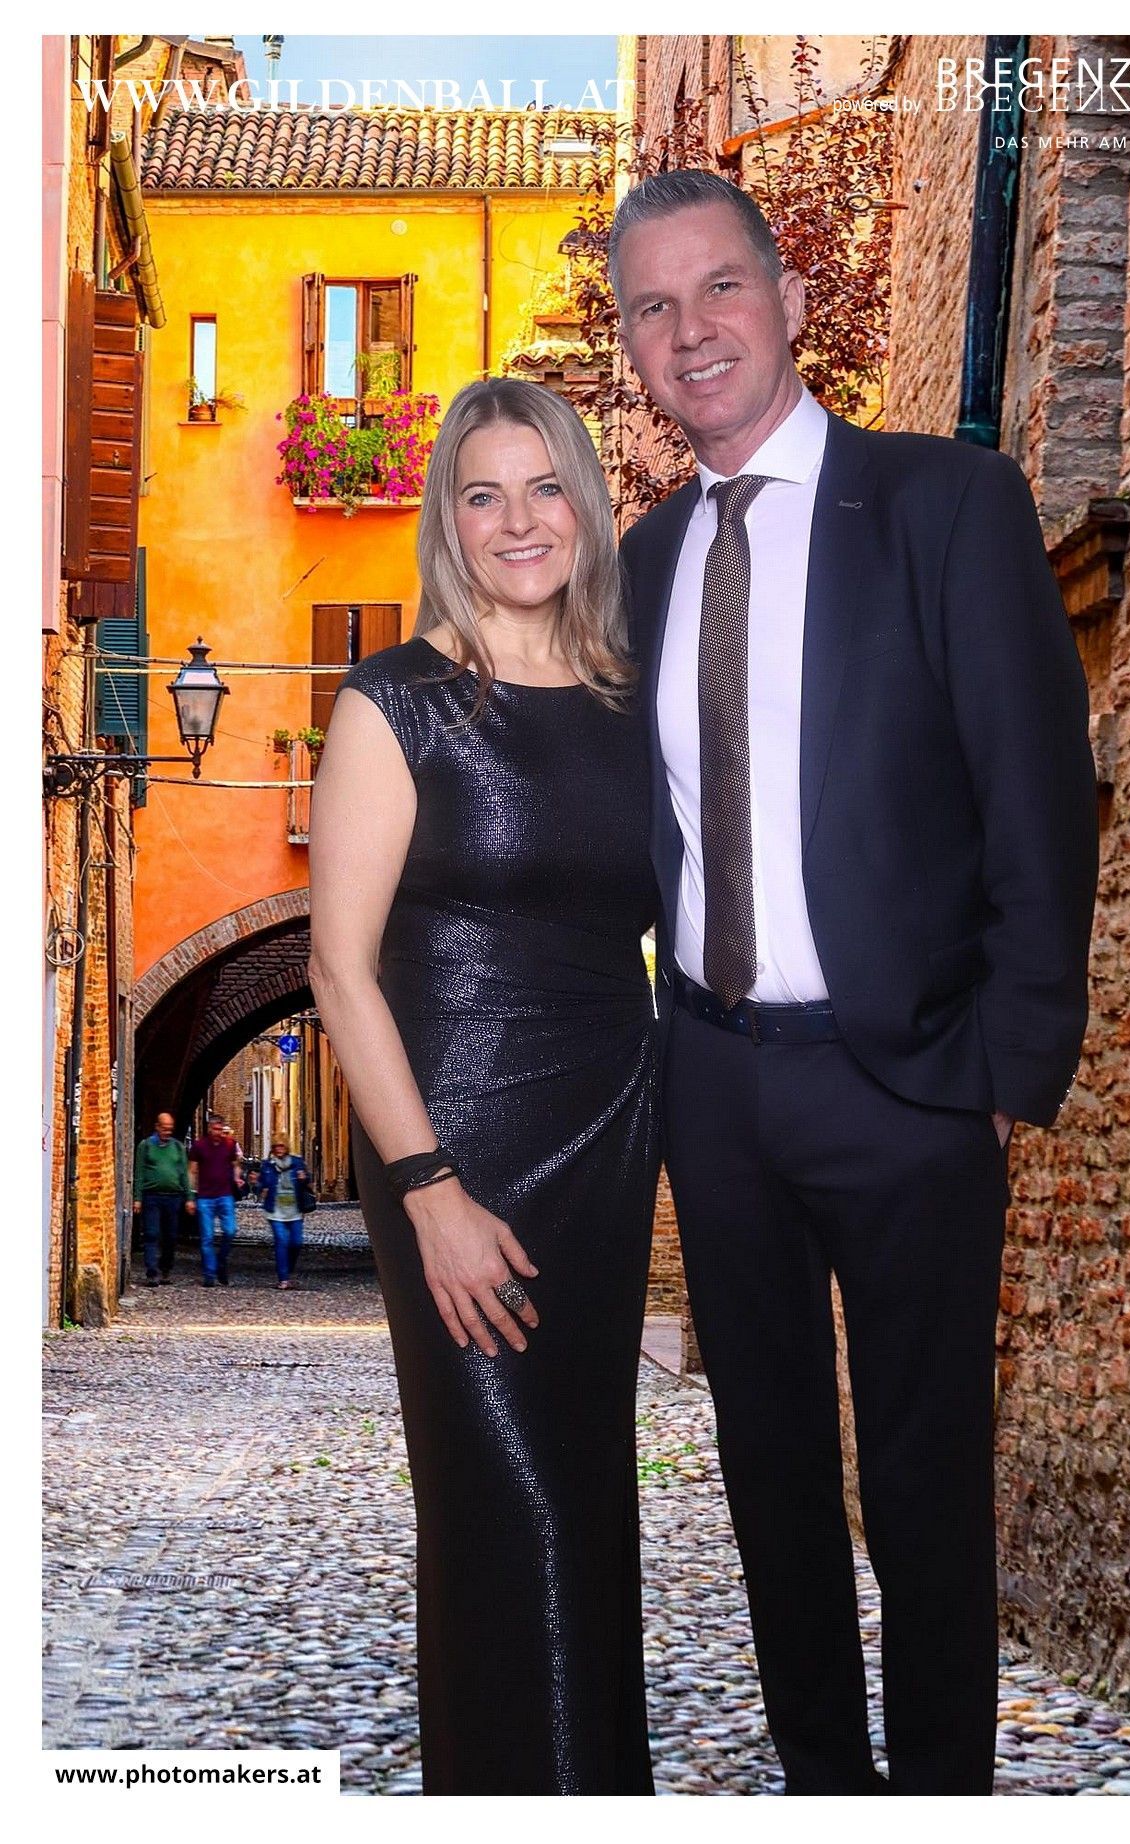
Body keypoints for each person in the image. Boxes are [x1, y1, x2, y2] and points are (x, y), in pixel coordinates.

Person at [610, 169, 1098, 1797]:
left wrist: (1001, 1071)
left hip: (912, 1080)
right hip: (717, 1082)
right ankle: (825, 1786)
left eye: (720, 288)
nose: (693, 330)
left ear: (792, 302)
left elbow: (1039, 794)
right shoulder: (642, 564)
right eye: (654, 307)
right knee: (769, 1473)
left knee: (923, 1479)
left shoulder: (947, 505)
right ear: (632, 345)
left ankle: (940, 1798)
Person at [309, 377, 660, 1795]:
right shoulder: (396, 702)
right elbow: (338, 969)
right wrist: (427, 1188)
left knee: (586, 1491)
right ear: (448, 523)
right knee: (505, 1495)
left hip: (608, 1130)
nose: (520, 522)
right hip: (459, 1137)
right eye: (483, 494)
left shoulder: (635, 701)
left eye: (545, 487)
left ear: (586, 503)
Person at [133, 1111, 192, 1285]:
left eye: (170, 1128)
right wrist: (137, 1198)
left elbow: (183, 1174)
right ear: (157, 1127)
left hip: (173, 1197)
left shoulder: (178, 1147)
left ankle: (165, 1268)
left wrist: (189, 1197)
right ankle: (152, 1272)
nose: (167, 1131)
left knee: (170, 1236)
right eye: (164, 1128)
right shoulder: (146, 1146)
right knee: (151, 1234)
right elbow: (139, 1172)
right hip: (151, 1196)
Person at [188, 1114, 244, 1287]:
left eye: (220, 1129)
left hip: (225, 1194)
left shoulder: (230, 1145)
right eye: (215, 1129)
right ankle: (209, 1273)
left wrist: (237, 1178)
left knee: (230, 1231)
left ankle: (221, 1260)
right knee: (207, 1237)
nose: (218, 1132)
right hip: (205, 1197)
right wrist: (191, 1196)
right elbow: (192, 1171)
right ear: (209, 1129)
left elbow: (235, 1164)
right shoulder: (199, 1146)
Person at [258, 1138, 311, 1289]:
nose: (279, 1149)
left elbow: (308, 1180)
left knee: (296, 1242)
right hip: (275, 1210)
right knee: (281, 1241)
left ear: (286, 1147)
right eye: (276, 1146)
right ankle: (283, 1278)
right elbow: (261, 1183)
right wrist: (261, 1188)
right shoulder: (268, 1165)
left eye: (282, 1146)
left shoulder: (297, 1162)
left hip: (294, 1210)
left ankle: (288, 1267)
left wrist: (304, 1178)